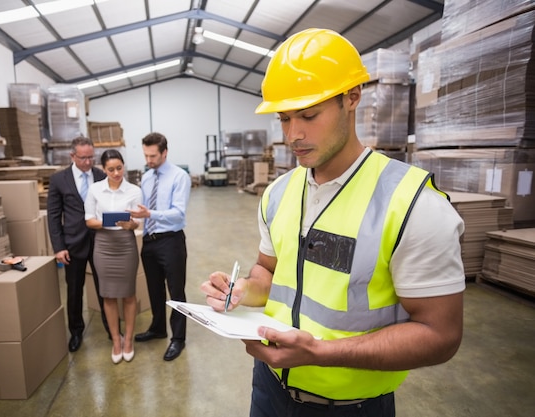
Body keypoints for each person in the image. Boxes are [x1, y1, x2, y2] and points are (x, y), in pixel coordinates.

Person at [200, 28, 466, 417]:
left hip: (351, 407)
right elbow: (268, 271)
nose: (294, 135)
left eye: (309, 115)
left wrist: (322, 354)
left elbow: (441, 335)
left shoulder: (411, 204)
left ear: (352, 97)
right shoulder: (277, 194)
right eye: (285, 118)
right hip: (270, 388)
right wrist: (240, 291)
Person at [129, 132, 191, 361]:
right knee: (154, 288)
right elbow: (143, 211)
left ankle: (178, 338)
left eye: (153, 155)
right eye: (146, 155)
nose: (149, 160)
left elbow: (179, 214)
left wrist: (150, 213)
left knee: (176, 292)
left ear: (165, 152)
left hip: (171, 241)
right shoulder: (146, 178)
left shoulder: (179, 177)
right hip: (149, 241)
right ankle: (158, 328)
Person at [47, 136, 111, 352]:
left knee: (106, 288)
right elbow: (54, 217)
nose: (87, 162)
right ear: (72, 156)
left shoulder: (102, 176)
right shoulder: (59, 180)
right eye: (82, 158)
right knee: (74, 290)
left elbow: (110, 208)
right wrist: (58, 247)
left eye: (91, 157)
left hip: (100, 241)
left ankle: (111, 328)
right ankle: (76, 332)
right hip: (72, 244)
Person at [84, 149, 142, 364]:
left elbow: (137, 222)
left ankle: (128, 339)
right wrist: (110, 222)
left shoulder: (134, 190)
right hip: (104, 245)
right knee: (108, 295)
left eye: (119, 168)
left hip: (126, 245)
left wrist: (130, 224)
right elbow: (89, 220)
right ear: (103, 169)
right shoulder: (95, 190)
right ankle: (116, 340)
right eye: (111, 169)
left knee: (128, 294)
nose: (116, 173)